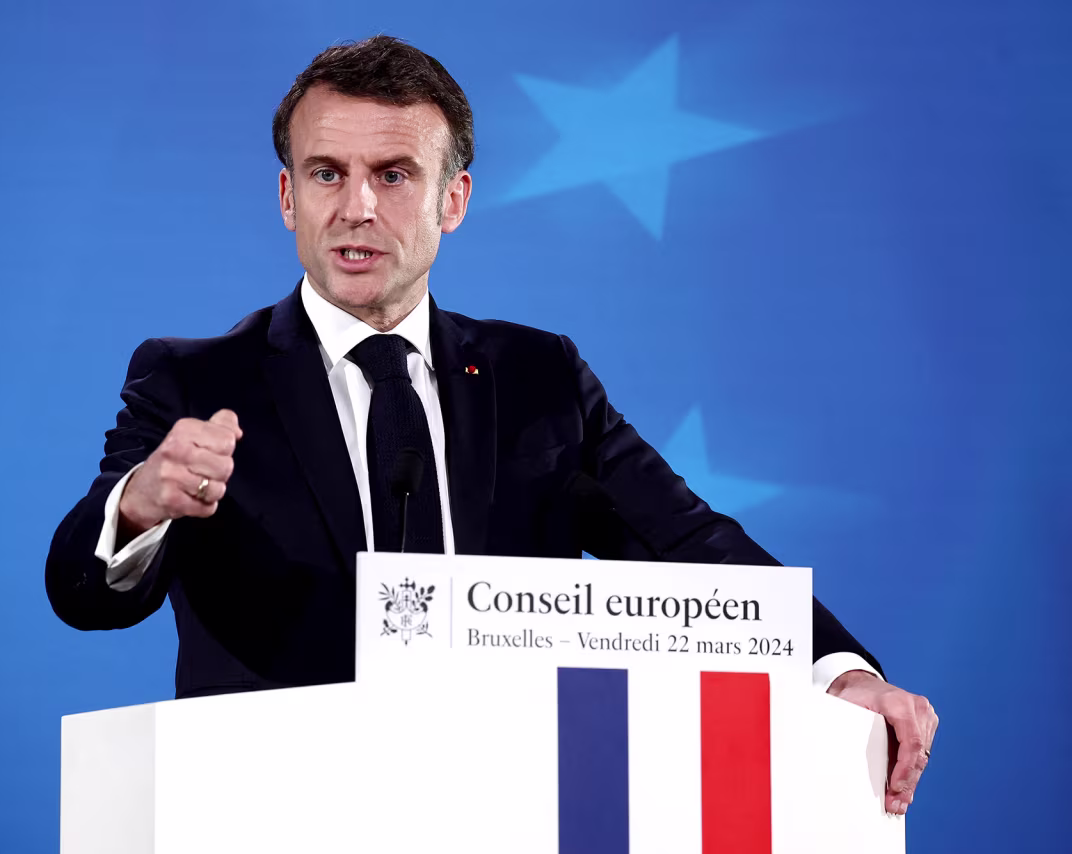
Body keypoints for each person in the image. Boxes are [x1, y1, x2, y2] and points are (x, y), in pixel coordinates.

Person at [45, 35, 936, 816]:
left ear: (454, 199)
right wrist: (139, 505)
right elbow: (81, 594)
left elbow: (688, 542)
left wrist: (841, 670)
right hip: (269, 811)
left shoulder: (539, 375)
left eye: (394, 176)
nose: (357, 207)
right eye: (328, 174)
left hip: (505, 808)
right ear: (287, 195)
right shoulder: (195, 377)